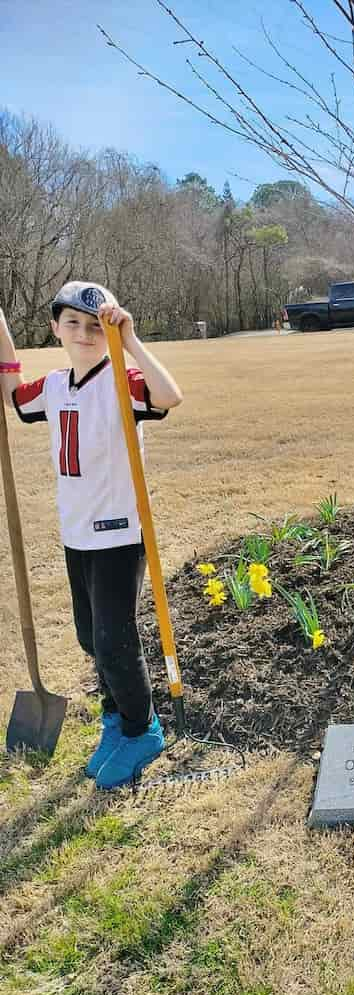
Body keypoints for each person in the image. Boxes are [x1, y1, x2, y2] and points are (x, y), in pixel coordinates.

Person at [0, 282, 183, 788]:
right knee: (90, 637)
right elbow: (15, 397)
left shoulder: (124, 380)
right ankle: (113, 721)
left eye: (94, 326)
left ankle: (142, 729)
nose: (83, 333)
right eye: (72, 324)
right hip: (76, 534)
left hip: (120, 533)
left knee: (114, 640)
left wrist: (130, 338)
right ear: (56, 329)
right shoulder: (56, 386)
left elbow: (169, 396)